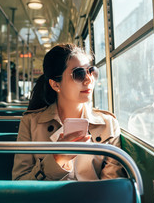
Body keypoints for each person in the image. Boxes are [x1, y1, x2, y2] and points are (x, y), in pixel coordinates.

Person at [12, 44, 125, 181]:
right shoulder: (31, 123)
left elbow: (112, 188)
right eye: (79, 74)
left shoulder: (108, 124)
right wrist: (57, 160)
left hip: (93, 202)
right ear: (55, 84)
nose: (89, 79)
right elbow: (20, 183)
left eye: (91, 71)